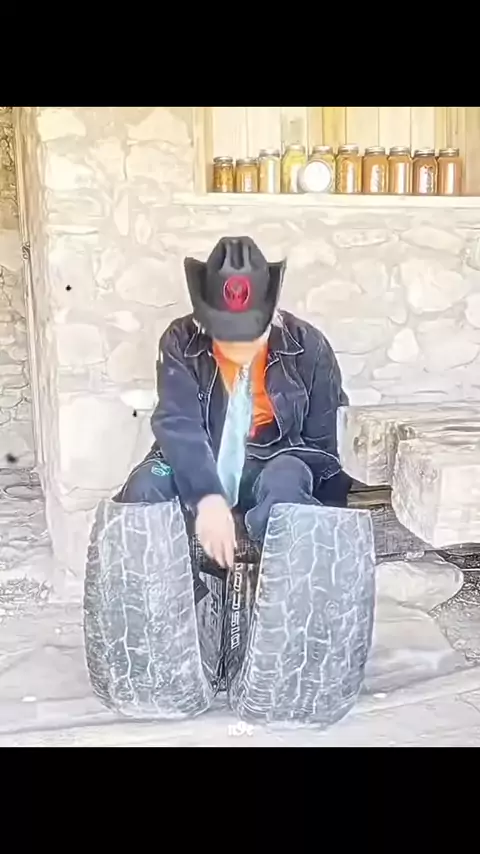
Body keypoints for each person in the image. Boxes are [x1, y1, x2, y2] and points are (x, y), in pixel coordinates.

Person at [116, 235, 352, 570]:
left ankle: (284, 598)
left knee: (287, 486)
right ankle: (169, 599)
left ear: (269, 315)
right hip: (199, 455)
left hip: (276, 457)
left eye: (249, 335)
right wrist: (207, 498)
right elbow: (178, 422)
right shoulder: (180, 341)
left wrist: (331, 526)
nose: (238, 349)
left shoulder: (309, 346)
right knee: (146, 487)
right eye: (225, 335)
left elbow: (325, 445)